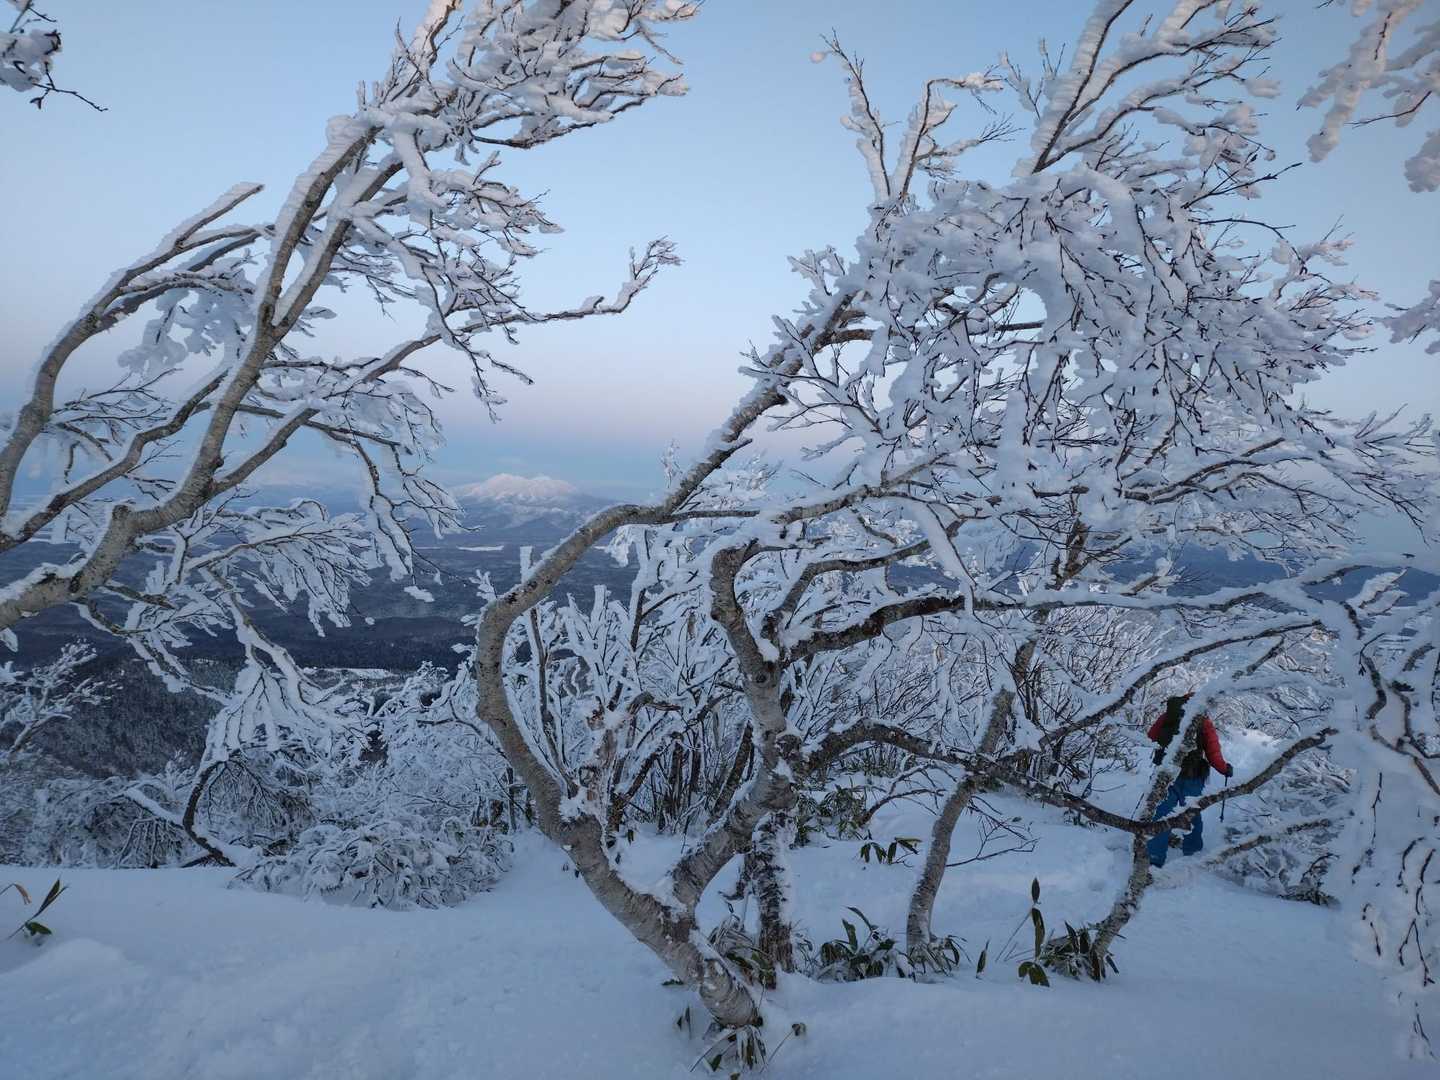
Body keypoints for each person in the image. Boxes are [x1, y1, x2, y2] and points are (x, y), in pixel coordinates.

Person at [1145, 694, 1233, 868]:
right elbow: (1213, 753)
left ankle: (1154, 857)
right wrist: (1224, 769)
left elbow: (1151, 737)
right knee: (1192, 812)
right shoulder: (1204, 722)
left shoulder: (1168, 716)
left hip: (1167, 773)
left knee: (1162, 813)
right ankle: (1192, 851)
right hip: (1192, 775)